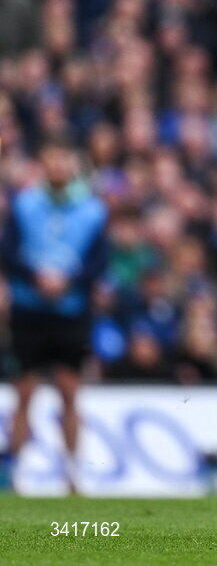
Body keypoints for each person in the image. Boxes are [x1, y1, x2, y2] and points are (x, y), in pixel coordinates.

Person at [1, 135, 108, 493]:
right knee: (25, 391)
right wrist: (38, 279)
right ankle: (14, 473)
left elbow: (98, 263)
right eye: (52, 157)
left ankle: (73, 473)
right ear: (43, 163)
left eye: (64, 158)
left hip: (70, 310)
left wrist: (68, 282)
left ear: (72, 163)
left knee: (69, 390)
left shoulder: (93, 210)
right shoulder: (24, 205)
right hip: (30, 309)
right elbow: (9, 253)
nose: (59, 165)